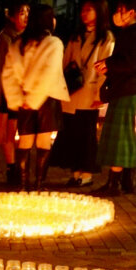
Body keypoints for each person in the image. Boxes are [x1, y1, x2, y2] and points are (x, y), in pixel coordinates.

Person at [2, 3, 70, 189]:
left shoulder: (18, 43)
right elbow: (48, 74)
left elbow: (8, 75)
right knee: (43, 142)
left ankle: (23, 184)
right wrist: (34, 100)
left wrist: (18, 100)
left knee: (25, 141)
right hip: (47, 98)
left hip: (24, 99)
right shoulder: (54, 43)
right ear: (48, 21)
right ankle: (39, 184)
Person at [50, 1, 114, 187]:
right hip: (72, 91)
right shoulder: (76, 35)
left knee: (87, 135)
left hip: (89, 91)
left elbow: (105, 69)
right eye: (83, 10)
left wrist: (99, 94)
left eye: (89, 10)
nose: (84, 13)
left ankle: (86, 174)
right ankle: (75, 172)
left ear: (99, 12)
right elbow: (65, 62)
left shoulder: (106, 37)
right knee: (72, 133)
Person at [92, 0, 136, 195]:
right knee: (127, 135)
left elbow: (130, 63)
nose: (117, 14)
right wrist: (109, 66)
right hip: (127, 89)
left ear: (131, 13)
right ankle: (127, 182)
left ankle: (114, 184)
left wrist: (108, 64)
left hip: (126, 90)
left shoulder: (131, 33)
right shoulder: (128, 33)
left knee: (120, 136)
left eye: (121, 10)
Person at [0, 2, 31, 184]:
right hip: (11, 93)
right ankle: (12, 167)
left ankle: (22, 167)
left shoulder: (30, 37)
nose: (26, 16)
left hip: (28, 94)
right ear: (12, 17)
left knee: (25, 133)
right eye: (21, 13)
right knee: (10, 132)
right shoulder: (5, 38)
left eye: (28, 12)